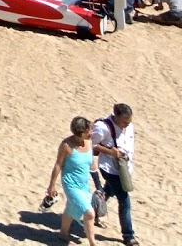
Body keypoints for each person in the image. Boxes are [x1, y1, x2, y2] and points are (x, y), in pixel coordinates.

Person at [44, 116, 98, 245]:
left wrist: (99, 186)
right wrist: (51, 185)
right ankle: (93, 243)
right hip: (70, 184)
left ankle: (62, 233)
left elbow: (92, 164)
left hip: (84, 184)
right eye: (89, 130)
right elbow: (58, 165)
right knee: (89, 213)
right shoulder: (66, 145)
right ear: (82, 131)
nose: (92, 133)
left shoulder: (89, 143)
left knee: (71, 209)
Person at [91, 103, 136, 246]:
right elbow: (91, 145)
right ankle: (128, 236)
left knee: (108, 191)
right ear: (115, 116)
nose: (126, 125)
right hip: (109, 168)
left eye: (128, 122)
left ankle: (92, 212)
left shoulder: (129, 126)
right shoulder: (102, 127)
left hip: (123, 169)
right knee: (124, 200)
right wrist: (111, 152)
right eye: (124, 121)